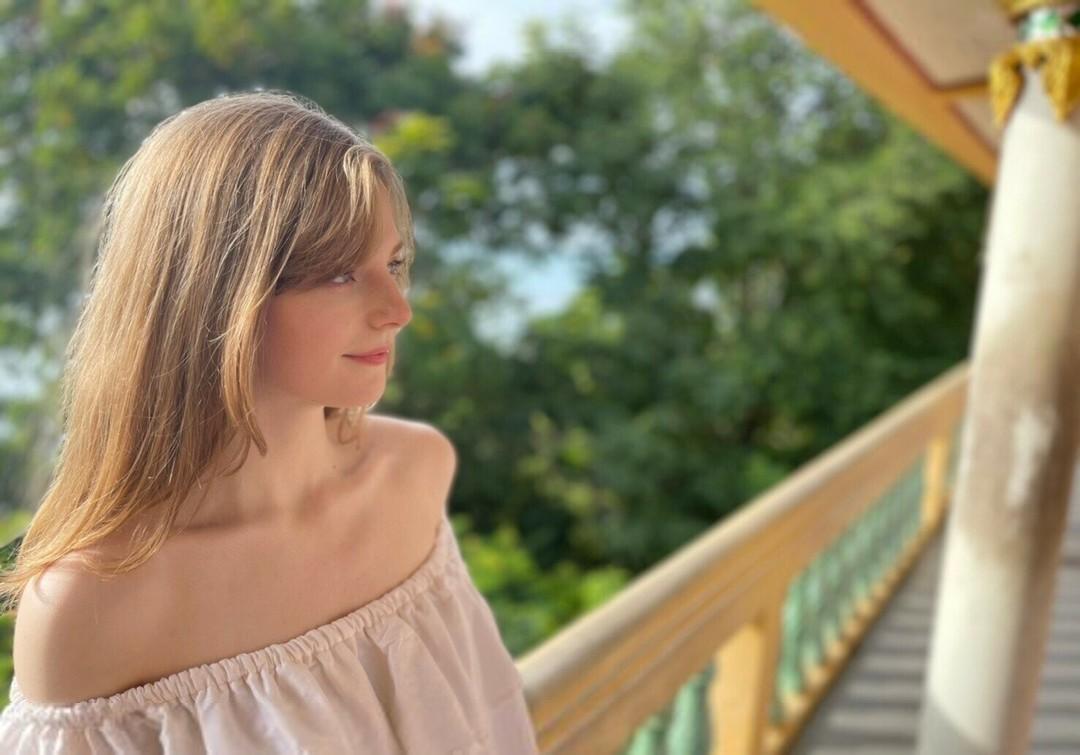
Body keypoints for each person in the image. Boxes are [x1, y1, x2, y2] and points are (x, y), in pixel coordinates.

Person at [0, 90, 539, 754]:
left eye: (394, 264)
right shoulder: (91, 610)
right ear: (215, 294)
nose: (397, 309)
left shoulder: (414, 476)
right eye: (341, 275)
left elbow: (492, 724)